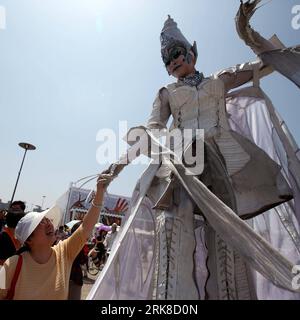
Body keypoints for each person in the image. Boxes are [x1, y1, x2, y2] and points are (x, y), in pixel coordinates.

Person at [89, 2, 300, 300]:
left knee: (229, 243)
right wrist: (121, 163)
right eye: (165, 59)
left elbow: (266, 63)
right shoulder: (167, 93)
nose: (171, 61)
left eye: (175, 52)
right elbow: (152, 128)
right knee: (173, 239)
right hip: (182, 166)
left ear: (192, 53)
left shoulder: (220, 79)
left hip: (222, 166)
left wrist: (247, 33)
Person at [0, 172, 111, 300]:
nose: (49, 224)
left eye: (48, 220)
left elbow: (85, 227)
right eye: (40, 223)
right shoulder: (12, 264)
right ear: (29, 239)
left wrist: (100, 192)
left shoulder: (63, 253)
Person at [68, 221, 88, 300]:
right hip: (74, 277)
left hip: (66, 276)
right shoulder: (78, 244)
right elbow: (82, 260)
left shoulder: (67, 242)